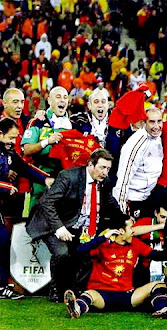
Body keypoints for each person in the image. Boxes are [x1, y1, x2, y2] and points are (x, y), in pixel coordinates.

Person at [26, 149, 128, 302]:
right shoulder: (68, 177)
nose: (105, 172)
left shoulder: (104, 181)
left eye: (108, 168)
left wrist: (124, 220)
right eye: (102, 167)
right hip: (52, 223)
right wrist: (59, 228)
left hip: (80, 226)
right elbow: (47, 203)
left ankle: (78, 291)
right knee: (62, 253)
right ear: (90, 165)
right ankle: (56, 291)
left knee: (87, 254)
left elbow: (110, 202)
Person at [63, 218, 167, 319]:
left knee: (158, 284)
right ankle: (77, 308)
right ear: (121, 231)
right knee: (89, 295)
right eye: (131, 228)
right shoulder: (103, 244)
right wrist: (102, 238)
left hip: (127, 295)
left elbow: (159, 256)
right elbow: (79, 252)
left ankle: (163, 310)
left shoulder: (135, 243)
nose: (134, 231)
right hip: (102, 294)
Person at [0, 118, 53, 299]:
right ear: (0, 134)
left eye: (15, 138)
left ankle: (1, 286)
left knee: (2, 241)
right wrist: (7, 187)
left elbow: (24, 167)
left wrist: (45, 178)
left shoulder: (9, 152)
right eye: (11, 137)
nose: (13, 142)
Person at [21, 86, 70, 207]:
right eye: (58, 97)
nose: (62, 100)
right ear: (49, 101)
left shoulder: (73, 124)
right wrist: (47, 141)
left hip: (64, 179)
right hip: (41, 178)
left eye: (65, 97)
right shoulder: (38, 121)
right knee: (34, 217)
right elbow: (26, 150)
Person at [112, 107, 164, 218]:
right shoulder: (135, 144)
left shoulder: (160, 137)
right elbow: (123, 178)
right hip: (133, 199)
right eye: (152, 122)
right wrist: (121, 212)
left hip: (150, 197)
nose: (156, 126)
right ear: (144, 123)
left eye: (159, 121)